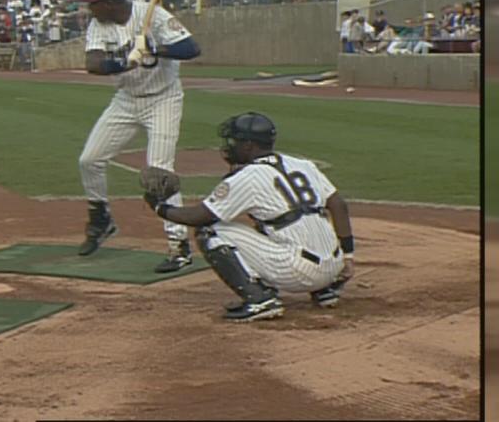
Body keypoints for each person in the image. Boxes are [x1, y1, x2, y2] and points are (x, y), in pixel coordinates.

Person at [142, 112, 356, 322]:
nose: (228, 146)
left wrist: (160, 208)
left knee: (210, 231)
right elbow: (338, 205)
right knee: (274, 221)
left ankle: (259, 299)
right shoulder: (302, 164)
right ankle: (324, 290)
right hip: (335, 266)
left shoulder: (248, 177)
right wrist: (348, 256)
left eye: (233, 141)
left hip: (299, 271)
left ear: (248, 146)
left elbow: (200, 216)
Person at [76, 0, 202, 273]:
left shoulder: (153, 15)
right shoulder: (99, 25)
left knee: (159, 171)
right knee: (89, 160)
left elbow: (191, 48)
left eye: (94, 4)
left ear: (110, 3)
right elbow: (93, 65)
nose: (89, 10)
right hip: (126, 99)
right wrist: (122, 62)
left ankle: (178, 245)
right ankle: (100, 218)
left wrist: (155, 48)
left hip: (163, 98)